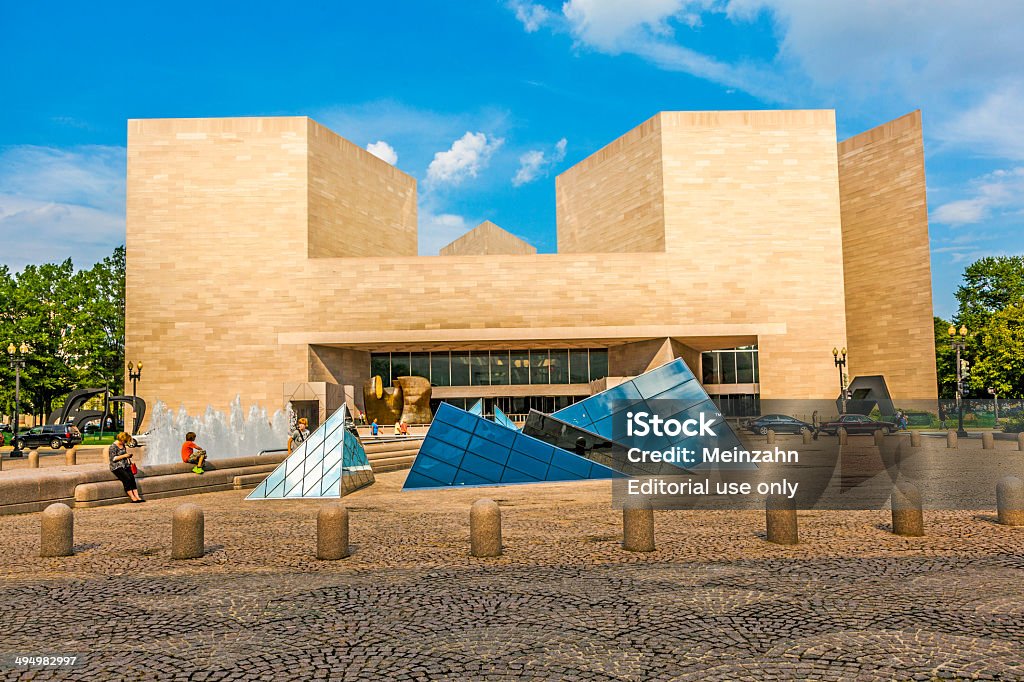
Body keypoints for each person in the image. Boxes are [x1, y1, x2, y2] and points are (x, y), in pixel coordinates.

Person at [108, 432, 143, 503]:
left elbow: (124, 454)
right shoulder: (113, 447)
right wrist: (124, 456)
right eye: (125, 441)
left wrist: (128, 457)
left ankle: (137, 496)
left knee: (132, 478)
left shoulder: (123, 445)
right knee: (127, 478)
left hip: (125, 465)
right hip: (116, 466)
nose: (125, 442)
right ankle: (132, 497)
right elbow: (113, 459)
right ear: (121, 439)